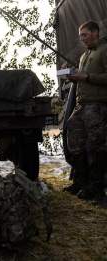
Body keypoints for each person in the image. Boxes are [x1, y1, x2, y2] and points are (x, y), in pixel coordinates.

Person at [65, 21, 107, 201]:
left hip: (97, 106)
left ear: (95, 32)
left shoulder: (104, 51)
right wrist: (75, 77)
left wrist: (87, 76)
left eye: (85, 35)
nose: (82, 39)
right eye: (80, 35)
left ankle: (96, 188)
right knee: (74, 141)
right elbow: (83, 78)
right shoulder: (84, 55)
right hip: (82, 106)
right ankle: (80, 182)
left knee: (96, 147)